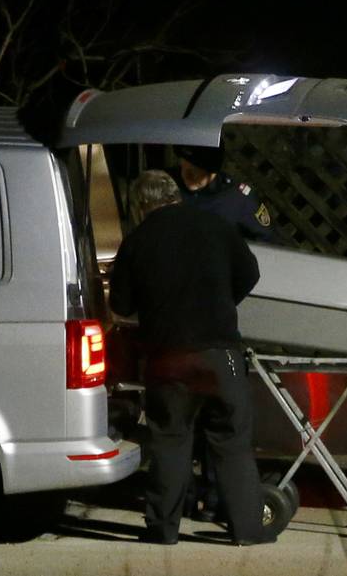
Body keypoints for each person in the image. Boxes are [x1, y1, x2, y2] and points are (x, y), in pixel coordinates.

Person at [109, 169, 273, 546]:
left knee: (169, 441)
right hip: (220, 354)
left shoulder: (136, 241)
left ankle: (163, 530)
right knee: (232, 441)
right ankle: (248, 530)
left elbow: (121, 304)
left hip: (168, 358)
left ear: (141, 205)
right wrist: (219, 301)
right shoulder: (215, 226)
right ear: (174, 196)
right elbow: (249, 273)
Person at [170, 144, 280, 244]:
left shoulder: (238, 198)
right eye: (183, 162)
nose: (186, 173)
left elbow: (268, 241)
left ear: (212, 169)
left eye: (196, 169)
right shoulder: (167, 184)